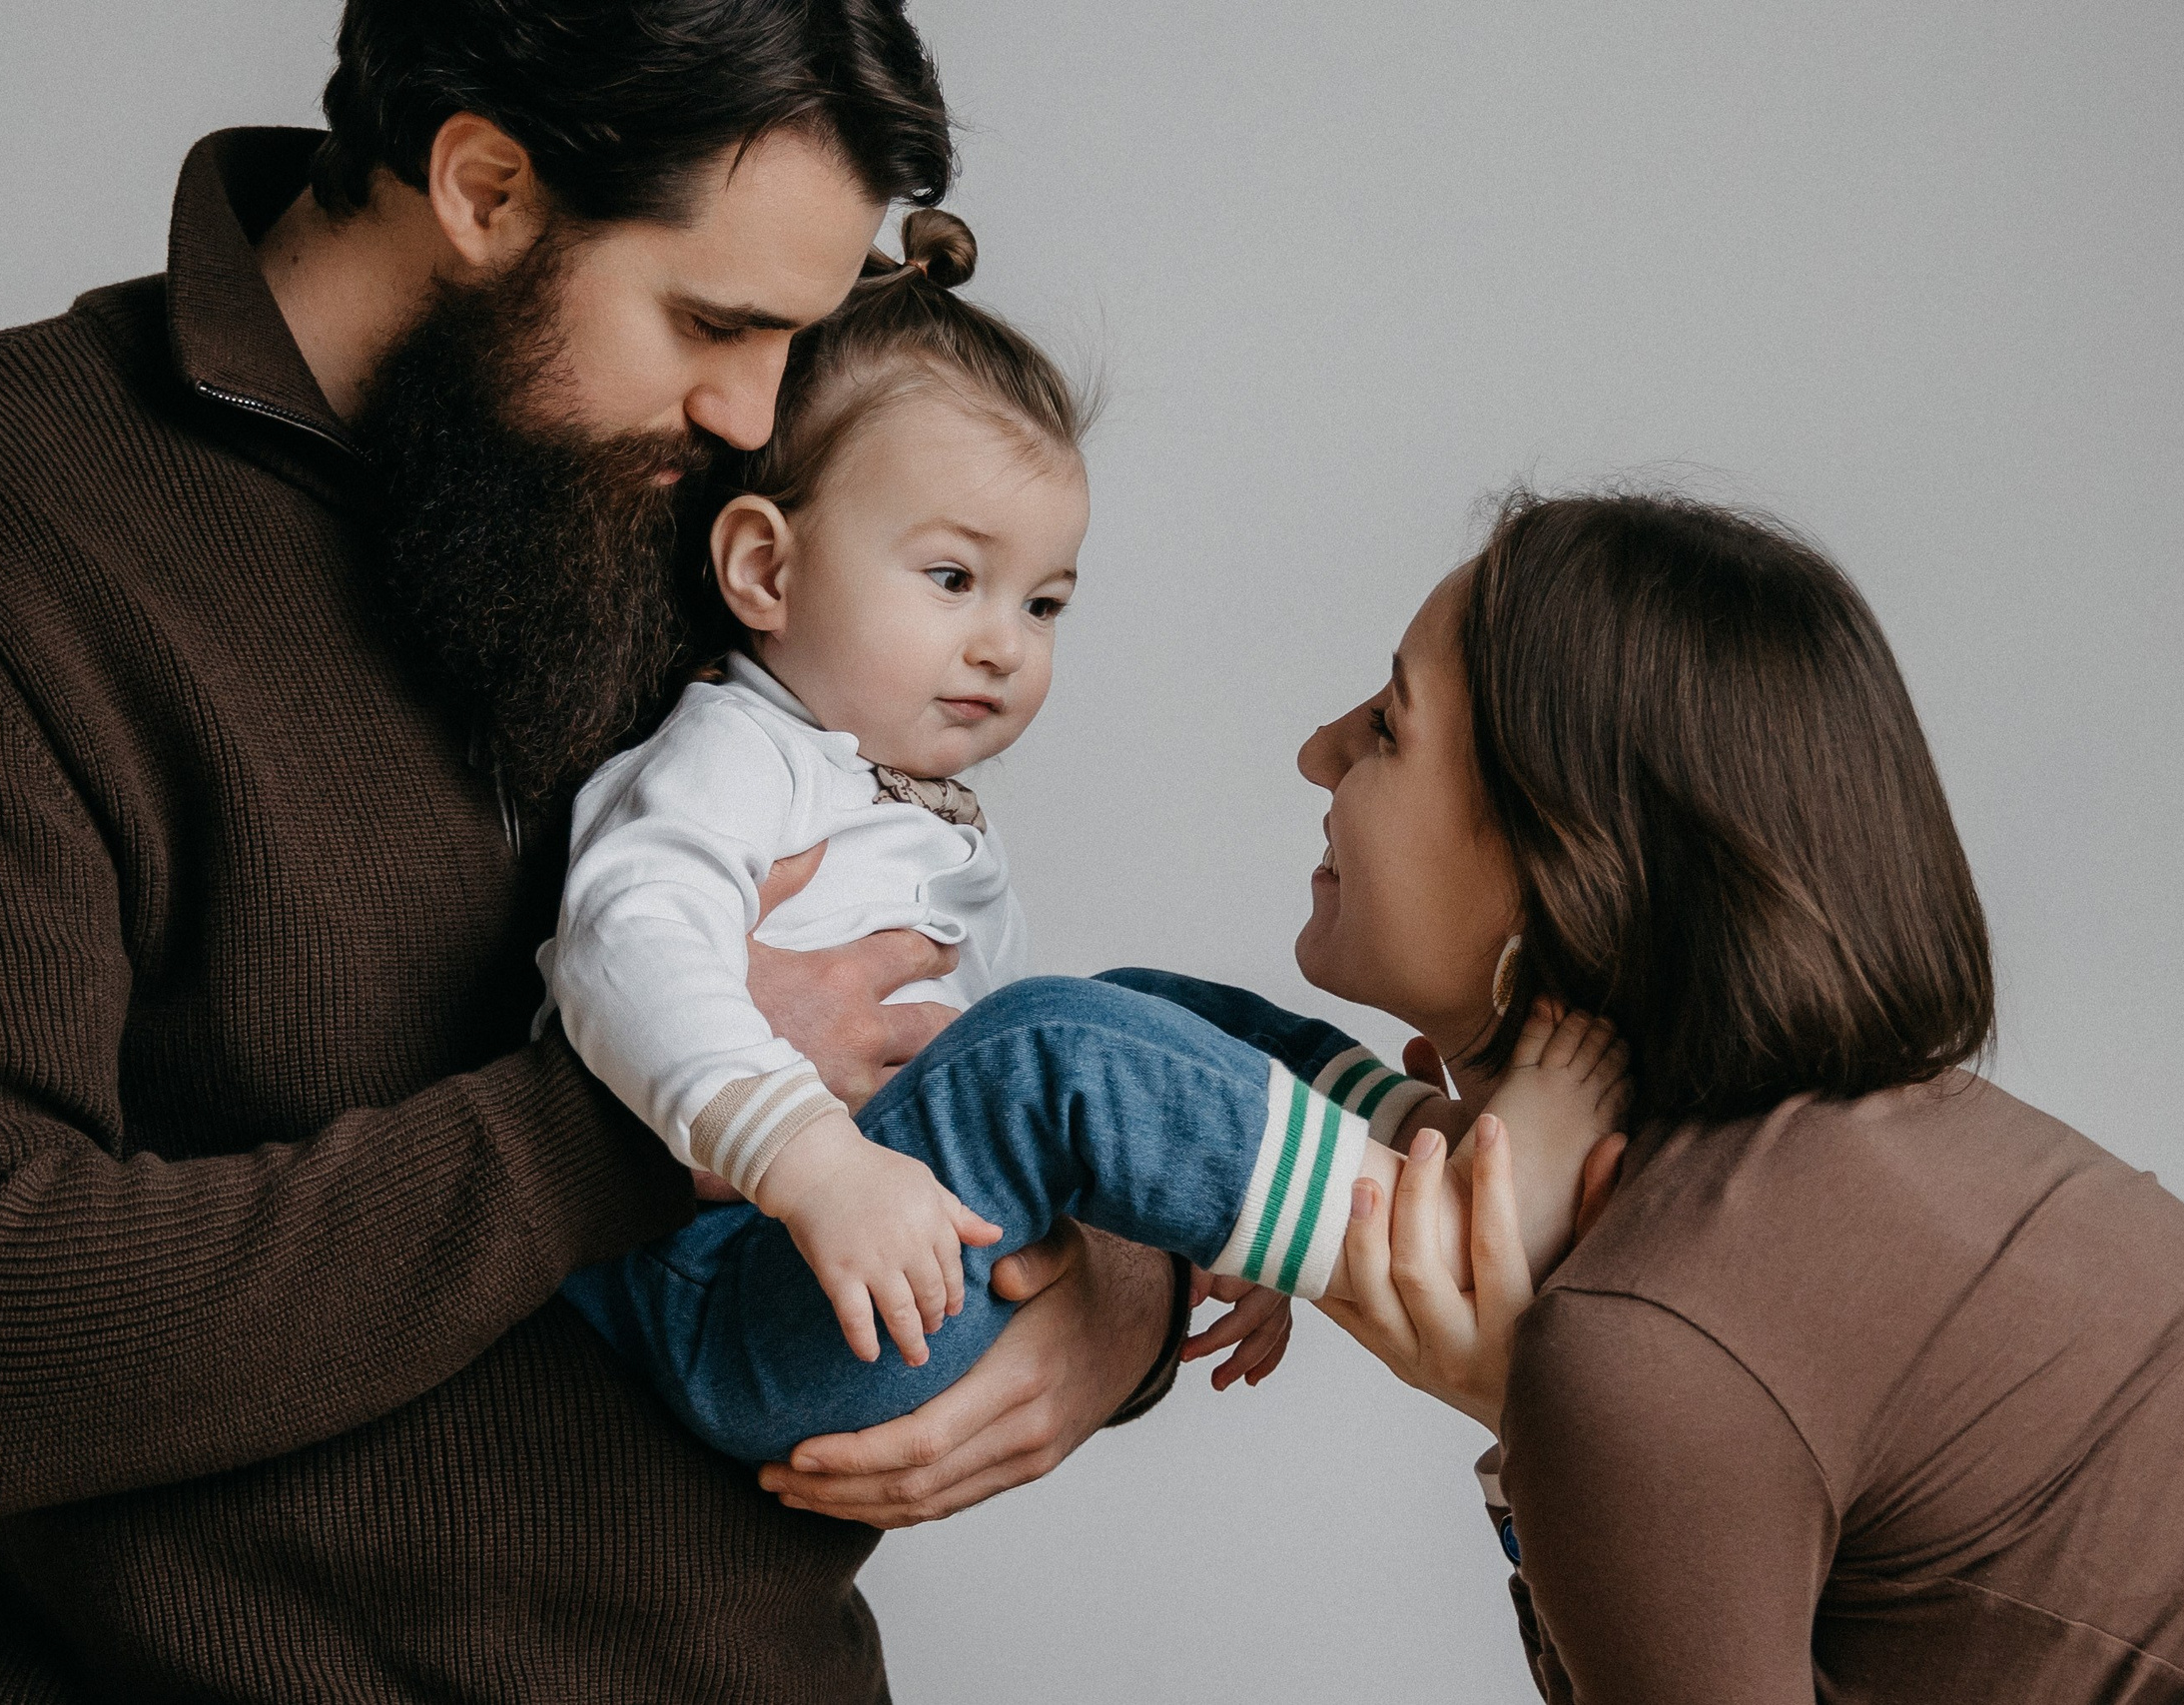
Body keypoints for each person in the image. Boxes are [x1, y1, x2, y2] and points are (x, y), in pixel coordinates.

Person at [0, 4, 1189, 1696]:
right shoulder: (4, 534)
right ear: (483, 184)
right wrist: (625, 1120)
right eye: (714, 320)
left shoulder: (702, 483)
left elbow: (905, 976)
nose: (760, 414)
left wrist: (1119, 1278)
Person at [1288, 489, 2184, 1701]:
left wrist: (1526, 1412)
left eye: (1389, 727)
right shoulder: (1862, 1167)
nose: (1317, 754)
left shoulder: (1655, 1329)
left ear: (1567, 856)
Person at [544, 208, 1631, 1462]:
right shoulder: (732, 752)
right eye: (953, 578)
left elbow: (1013, 1084)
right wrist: (808, 1163)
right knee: (1058, 1042)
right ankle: (1406, 1234)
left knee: (1139, 1011)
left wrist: (1196, 1218)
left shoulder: (894, 801)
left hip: (860, 1258)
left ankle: (1398, 1148)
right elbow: (622, 953)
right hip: (720, 1288)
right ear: (765, 572)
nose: (1006, 641)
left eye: (1043, 600)